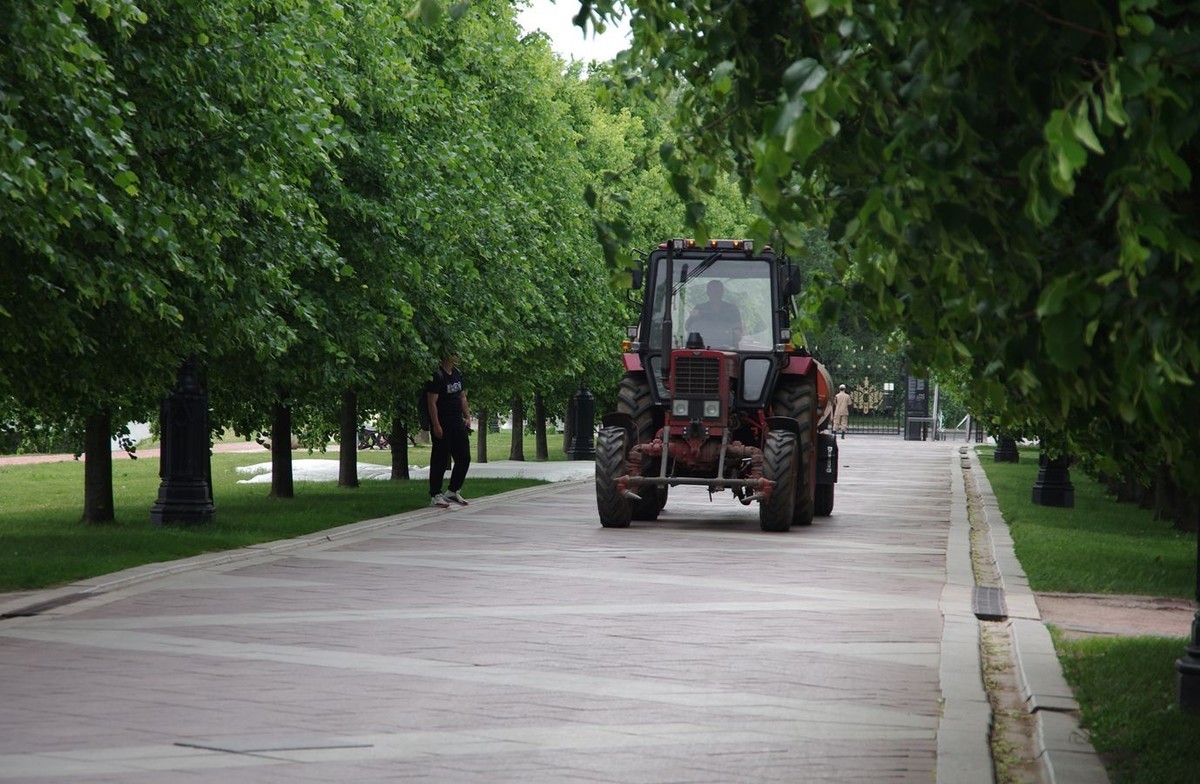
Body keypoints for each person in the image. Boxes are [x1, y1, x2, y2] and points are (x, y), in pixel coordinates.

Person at [427, 351, 472, 508]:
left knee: (464, 457)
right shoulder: (437, 376)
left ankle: (453, 491)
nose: (458, 357)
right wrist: (436, 424)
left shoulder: (457, 374)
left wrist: (467, 416)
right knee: (440, 458)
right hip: (443, 423)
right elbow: (431, 402)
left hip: (457, 422)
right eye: (454, 354)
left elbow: (462, 397)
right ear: (447, 356)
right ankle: (435, 494)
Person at [685, 279, 743, 348]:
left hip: (728, 350)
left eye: (718, 291)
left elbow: (738, 332)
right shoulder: (699, 309)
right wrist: (692, 317)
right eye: (713, 291)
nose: (715, 294)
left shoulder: (732, 309)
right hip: (703, 350)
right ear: (708, 293)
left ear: (722, 292)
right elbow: (688, 327)